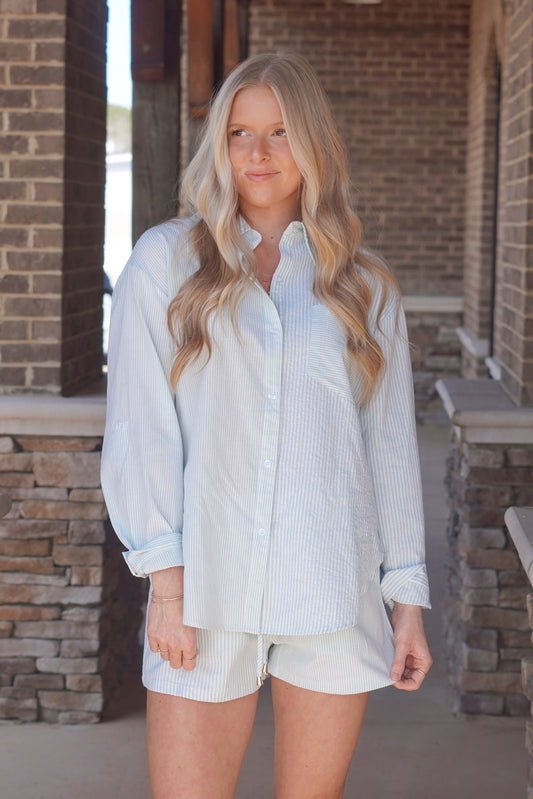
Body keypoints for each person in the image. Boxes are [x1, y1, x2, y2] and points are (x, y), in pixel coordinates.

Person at [101, 51, 432, 799]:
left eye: (280, 132)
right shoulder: (163, 265)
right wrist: (167, 585)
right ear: (218, 144)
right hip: (205, 592)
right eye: (240, 133)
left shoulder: (364, 284)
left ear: (313, 143)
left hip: (330, 588)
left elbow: (387, 451)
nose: (256, 152)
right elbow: (142, 432)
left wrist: (405, 601)